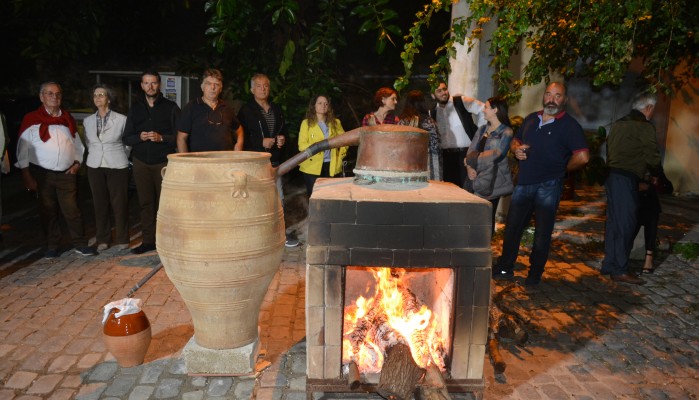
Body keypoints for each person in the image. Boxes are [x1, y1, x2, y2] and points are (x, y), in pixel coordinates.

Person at [492, 82, 589, 285]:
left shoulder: (570, 126)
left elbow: (582, 157)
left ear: (565, 100)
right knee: (512, 228)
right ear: (543, 96)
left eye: (557, 95)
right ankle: (504, 268)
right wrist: (516, 148)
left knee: (542, 233)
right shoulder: (531, 119)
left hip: (548, 186)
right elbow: (515, 140)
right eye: (548, 94)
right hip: (524, 182)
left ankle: (534, 275)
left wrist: (562, 170)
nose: (551, 99)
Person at [15, 82, 97, 258]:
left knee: (73, 210)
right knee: (48, 211)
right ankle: (52, 245)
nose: (54, 97)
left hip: (67, 173)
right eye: (50, 93)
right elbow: (22, 150)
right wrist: (26, 174)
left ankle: (80, 244)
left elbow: (77, 145)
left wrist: (77, 164)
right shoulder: (31, 119)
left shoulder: (66, 119)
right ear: (41, 97)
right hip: (42, 175)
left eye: (58, 94)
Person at [600, 92, 661, 285]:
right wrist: (655, 173)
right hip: (626, 179)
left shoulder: (618, 124)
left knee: (614, 224)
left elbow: (610, 150)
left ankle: (610, 264)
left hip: (612, 176)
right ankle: (619, 269)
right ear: (649, 108)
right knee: (626, 223)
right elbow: (653, 157)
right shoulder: (645, 127)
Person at [238, 73, 299, 247]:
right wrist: (260, 142)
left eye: (265, 85)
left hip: (274, 163)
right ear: (251, 89)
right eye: (258, 85)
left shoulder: (276, 109)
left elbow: (284, 131)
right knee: (255, 199)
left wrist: (282, 139)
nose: (263, 89)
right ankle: (254, 236)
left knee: (277, 199)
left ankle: (278, 234)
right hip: (255, 164)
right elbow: (240, 137)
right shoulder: (246, 111)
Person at [123, 70, 180, 254]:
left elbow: (179, 137)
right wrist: (139, 136)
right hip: (141, 161)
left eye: (153, 82)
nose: (150, 86)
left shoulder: (171, 107)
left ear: (159, 84)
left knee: (166, 204)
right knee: (145, 203)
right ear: (142, 85)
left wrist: (161, 138)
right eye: (146, 83)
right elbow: (127, 138)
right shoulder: (136, 108)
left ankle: (169, 242)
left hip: (163, 161)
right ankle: (148, 241)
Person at [83, 84, 130, 251]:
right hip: (95, 165)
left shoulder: (121, 119)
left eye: (101, 95)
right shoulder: (88, 121)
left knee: (119, 203)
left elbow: (127, 143)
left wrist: (120, 155)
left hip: (117, 164)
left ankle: (123, 238)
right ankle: (103, 238)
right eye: (95, 95)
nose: (97, 98)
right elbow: (89, 143)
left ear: (108, 99)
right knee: (99, 203)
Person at [464, 96, 514, 233]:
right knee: (473, 217)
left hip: (493, 181)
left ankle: (485, 250)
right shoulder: (481, 130)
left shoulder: (506, 132)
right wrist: (469, 167)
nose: (484, 110)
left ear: (495, 110)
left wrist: (471, 161)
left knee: (486, 219)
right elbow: (471, 150)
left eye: (486, 107)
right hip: (475, 178)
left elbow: (498, 154)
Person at [430, 82, 486, 187]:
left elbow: (483, 109)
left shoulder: (461, 101)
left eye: (444, 89)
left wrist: (480, 133)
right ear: (433, 96)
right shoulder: (433, 111)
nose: (444, 93)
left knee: (468, 189)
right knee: (451, 191)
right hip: (446, 157)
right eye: (439, 91)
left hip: (466, 154)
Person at [177, 68, 243, 153]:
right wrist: (185, 163)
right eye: (208, 83)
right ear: (202, 87)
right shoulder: (191, 107)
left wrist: (239, 144)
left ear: (221, 88)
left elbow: (239, 129)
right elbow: (181, 138)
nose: (213, 87)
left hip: (225, 162)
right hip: (200, 163)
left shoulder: (226, 107)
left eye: (216, 84)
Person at [298, 95, 348, 196]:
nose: (323, 106)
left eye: (326, 103)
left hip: (331, 164)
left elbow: (345, 141)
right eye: (320, 103)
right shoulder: (306, 123)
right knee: (314, 196)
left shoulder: (336, 123)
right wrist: (317, 147)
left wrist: (340, 156)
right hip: (312, 166)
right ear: (314, 106)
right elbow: (301, 145)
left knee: (330, 195)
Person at [398, 90, 442, 180]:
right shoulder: (430, 122)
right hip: (429, 164)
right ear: (422, 103)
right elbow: (436, 145)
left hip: (407, 162)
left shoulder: (403, 122)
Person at [636, 174, 661, 274]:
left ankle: (649, 259)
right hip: (633, 197)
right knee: (632, 227)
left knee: (652, 217)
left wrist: (654, 178)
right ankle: (622, 256)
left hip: (649, 198)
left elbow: (664, 183)